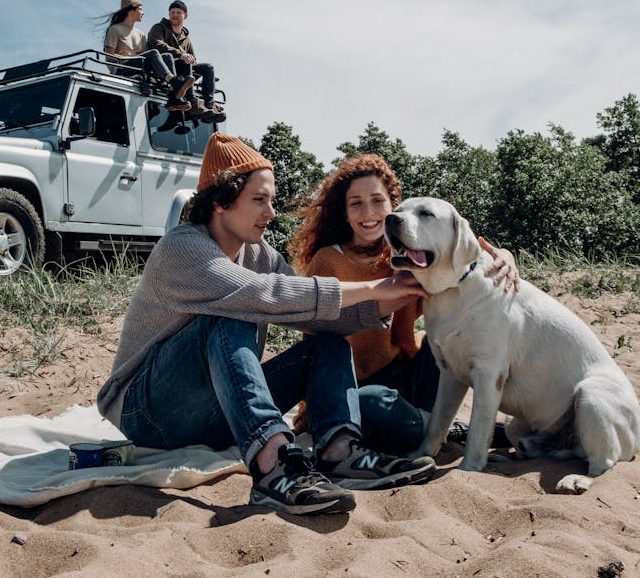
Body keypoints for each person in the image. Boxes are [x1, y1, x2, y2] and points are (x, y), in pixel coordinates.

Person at [97, 134, 437, 516]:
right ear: (221, 201)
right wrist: (371, 288)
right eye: (259, 200)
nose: (271, 212)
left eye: (270, 200)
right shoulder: (182, 247)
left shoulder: (260, 254)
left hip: (218, 413)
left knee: (328, 341)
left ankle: (340, 451)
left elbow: (307, 308)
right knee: (228, 316)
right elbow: (261, 293)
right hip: (149, 414)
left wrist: (381, 303)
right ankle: (273, 467)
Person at [288, 153, 519, 453]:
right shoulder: (329, 261)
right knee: (370, 404)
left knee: (442, 347)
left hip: (406, 379)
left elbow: (459, 267)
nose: (368, 212)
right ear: (344, 213)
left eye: (377, 201)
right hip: (352, 390)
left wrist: (504, 255)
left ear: (393, 208)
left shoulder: (409, 256)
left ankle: (430, 425)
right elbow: (326, 330)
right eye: (356, 203)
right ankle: (448, 428)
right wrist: (379, 294)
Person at [102, 0, 194, 111]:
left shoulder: (140, 34)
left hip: (140, 68)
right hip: (121, 68)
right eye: (140, 9)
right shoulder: (115, 30)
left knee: (167, 56)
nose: (143, 13)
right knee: (154, 52)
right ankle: (174, 82)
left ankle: (173, 95)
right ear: (131, 11)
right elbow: (109, 58)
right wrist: (130, 58)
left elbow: (147, 58)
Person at [148, 0, 226, 123]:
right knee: (185, 62)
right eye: (172, 12)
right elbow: (156, 44)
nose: (174, 15)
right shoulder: (159, 28)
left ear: (185, 16)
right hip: (166, 66)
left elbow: (192, 59)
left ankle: (209, 104)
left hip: (184, 69)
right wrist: (181, 54)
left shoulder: (186, 38)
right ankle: (193, 102)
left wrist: (191, 67)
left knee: (208, 67)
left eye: (178, 12)